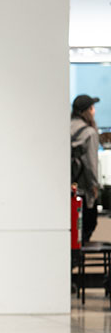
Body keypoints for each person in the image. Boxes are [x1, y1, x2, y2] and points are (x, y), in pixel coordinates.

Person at [72, 94, 102, 243]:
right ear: (87, 111)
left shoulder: (66, 128)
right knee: (87, 227)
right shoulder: (88, 133)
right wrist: (94, 186)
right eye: (92, 108)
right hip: (83, 190)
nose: (94, 111)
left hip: (67, 190)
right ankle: (77, 261)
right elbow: (91, 163)